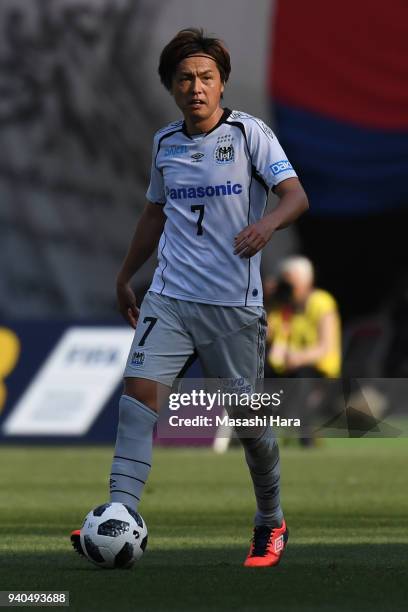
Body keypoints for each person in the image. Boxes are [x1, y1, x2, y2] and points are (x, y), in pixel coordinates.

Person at [70, 28, 308, 567]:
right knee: (138, 399)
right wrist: (127, 274)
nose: (195, 87)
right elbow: (155, 212)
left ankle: (271, 520)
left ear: (221, 83)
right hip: (170, 298)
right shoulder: (164, 143)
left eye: (205, 77)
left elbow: (296, 196)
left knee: (248, 424)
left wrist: (267, 225)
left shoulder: (251, 135)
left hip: (232, 307)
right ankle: (120, 514)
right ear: (171, 88)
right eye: (184, 79)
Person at [265, 256, 341, 445]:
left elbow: (327, 347)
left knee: (302, 377)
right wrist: (267, 297)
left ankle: (306, 438)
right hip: (286, 372)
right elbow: (264, 334)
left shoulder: (321, 302)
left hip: (318, 375)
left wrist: (298, 358)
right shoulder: (282, 306)